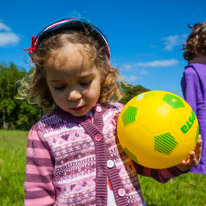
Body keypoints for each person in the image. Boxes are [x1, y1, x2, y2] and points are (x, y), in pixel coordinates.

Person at [20, 18, 202, 206]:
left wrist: (178, 166)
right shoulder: (43, 132)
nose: (73, 95)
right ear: (46, 83)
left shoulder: (120, 116)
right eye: (60, 86)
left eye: (84, 83)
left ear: (102, 73)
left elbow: (145, 163)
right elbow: (38, 192)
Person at [181, 22, 206, 174]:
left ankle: (198, 168)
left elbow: (190, 108)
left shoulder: (191, 72)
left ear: (194, 50)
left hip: (201, 125)